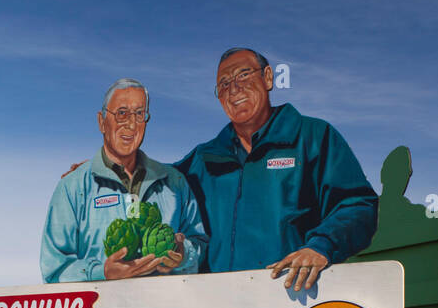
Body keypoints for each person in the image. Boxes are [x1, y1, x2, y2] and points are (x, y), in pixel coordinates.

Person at [175, 48, 379, 292]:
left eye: (243, 75)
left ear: (268, 77)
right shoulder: (202, 159)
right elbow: (156, 188)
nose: (234, 89)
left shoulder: (314, 138)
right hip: (216, 303)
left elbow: (357, 205)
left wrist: (320, 246)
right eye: (224, 83)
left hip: (291, 297)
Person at [40, 78, 208, 285]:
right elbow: (54, 269)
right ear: (102, 121)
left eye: (139, 114)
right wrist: (102, 272)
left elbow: (201, 246)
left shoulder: (175, 182)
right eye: (121, 113)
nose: (131, 124)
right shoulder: (72, 187)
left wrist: (184, 254)